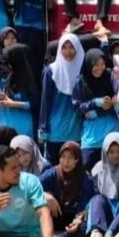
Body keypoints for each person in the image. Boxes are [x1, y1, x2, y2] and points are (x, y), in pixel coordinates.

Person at [39, 142, 95, 237]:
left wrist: (79, 219)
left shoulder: (85, 178)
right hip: (56, 214)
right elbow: (33, 188)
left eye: (70, 158)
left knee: (88, 226)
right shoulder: (53, 173)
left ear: (77, 159)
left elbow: (88, 204)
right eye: (63, 157)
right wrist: (45, 195)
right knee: (42, 202)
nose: (66, 162)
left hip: (75, 217)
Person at [40, 34, 84, 164]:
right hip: (55, 131)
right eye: (64, 48)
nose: (68, 52)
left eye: (71, 47)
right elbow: (45, 101)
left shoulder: (83, 70)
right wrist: (43, 128)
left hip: (77, 131)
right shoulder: (51, 71)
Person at [73, 48, 119, 170]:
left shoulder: (110, 76)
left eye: (102, 64)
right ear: (89, 64)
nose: (100, 68)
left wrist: (99, 111)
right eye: (96, 64)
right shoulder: (80, 81)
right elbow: (77, 107)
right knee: (87, 167)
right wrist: (95, 102)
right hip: (91, 136)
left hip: (111, 132)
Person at [0, 44, 39, 138]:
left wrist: (14, 104)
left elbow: (36, 104)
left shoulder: (29, 80)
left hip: (23, 127)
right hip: (6, 124)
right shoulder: (10, 77)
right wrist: (4, 98)